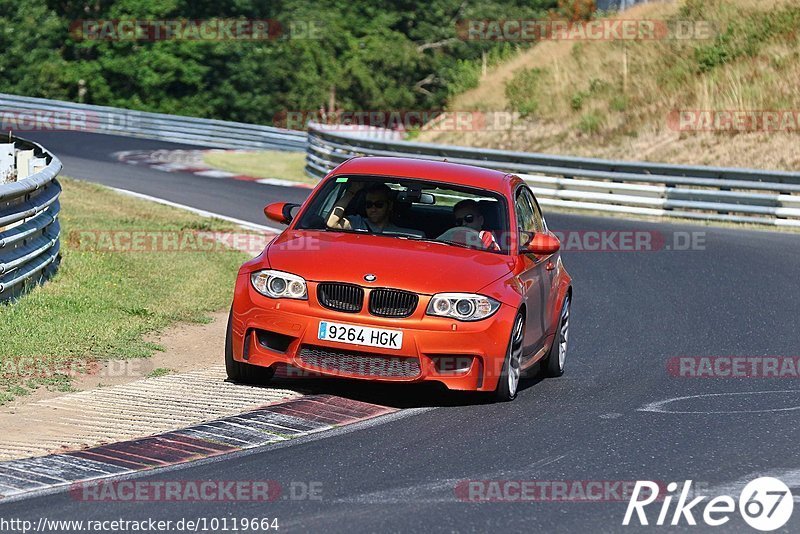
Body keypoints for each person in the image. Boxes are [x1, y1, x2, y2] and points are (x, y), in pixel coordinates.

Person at [326, 182, 424, 237]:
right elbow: (332, 223)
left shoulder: (404, 233)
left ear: (389, 206)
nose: (373, 209)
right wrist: (351, 192)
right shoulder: (357, 223)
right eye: (369, 204)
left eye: (379, 204)